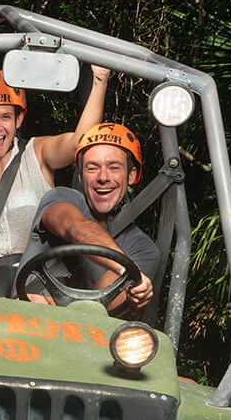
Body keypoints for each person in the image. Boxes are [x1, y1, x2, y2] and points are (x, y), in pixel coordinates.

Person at [0, 66, 112, 292]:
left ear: (18, 119)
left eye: (5, 117)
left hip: (39, 280)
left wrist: (99, 79)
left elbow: (80, 143)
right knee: (2, 284)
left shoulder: (35, 153)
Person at [15, 122, 157, 315]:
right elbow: (76, 229)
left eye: (114, 167)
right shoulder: (61, 197)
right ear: (81, 176)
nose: (103, 177)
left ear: (131, 175)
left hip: (82, 329)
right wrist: (128, 269)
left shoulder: (143, 249)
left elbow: (100, 305)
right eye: (92, 168)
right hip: (22, 317)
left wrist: (135, 282)